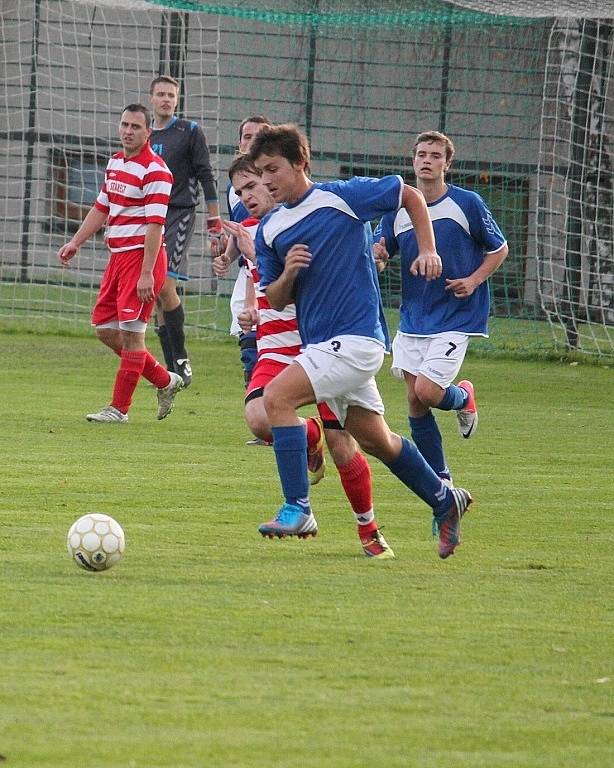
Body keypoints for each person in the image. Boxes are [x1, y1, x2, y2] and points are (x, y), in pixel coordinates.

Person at [249, 124, 473, 559]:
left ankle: (298, 506)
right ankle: (445, 499)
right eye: (260, 172)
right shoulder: (270, 229)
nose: (267, 180)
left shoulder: (341, 197)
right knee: (378, 441)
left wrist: (427, 248)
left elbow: (408, 195)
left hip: (356, 339)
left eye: (274, 168)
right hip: (323, 347)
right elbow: (274, 296)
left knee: (275, 400)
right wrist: (291, 272)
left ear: (300, 163)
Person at [215, 154, 394, 558]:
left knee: (345, 443)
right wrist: (251, 309)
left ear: (274, 179)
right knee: (261, 418)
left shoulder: (307, 219)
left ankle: (368, 529)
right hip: (275, 347)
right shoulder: (252, 229)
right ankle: (305, 439)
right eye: (240, 191)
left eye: (253, 186)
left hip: (318, 345)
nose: (246, 197)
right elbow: (259, 282)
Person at [374, 130, 508, 485]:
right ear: (413, 160)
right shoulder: (399, 208)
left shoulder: (467, 203)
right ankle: (442, 481)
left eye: (435, 155)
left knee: (429, 392)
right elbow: (380, 248)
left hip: (456, 315)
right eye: (422, 154)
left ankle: (463, 397)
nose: (427, 161)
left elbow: (499, 249)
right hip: (414, 317)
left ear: (447, 163)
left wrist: (475, 280)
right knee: (415, 403)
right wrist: (379, 256)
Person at [57, 104, 184, 423]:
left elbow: (155, 225)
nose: (128, 131)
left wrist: (146, 274)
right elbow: (102, 207)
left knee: (132, 335)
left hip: (142, 261)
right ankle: (166, 381)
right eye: (124, 125)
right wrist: (76, 241)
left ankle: (119, 409)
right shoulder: (114, 163)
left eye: (135, 127)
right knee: (104, 328)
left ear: (148, 132)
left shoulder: (156, 171)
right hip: (117, 259)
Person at [149, 75, 222, 386]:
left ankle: (180, 358)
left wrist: (214, 220)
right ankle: (173, 370)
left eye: (171, 95)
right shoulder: (144, 134)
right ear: (151, 98)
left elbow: (206, 176)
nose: (166, 99)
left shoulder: (189, 132)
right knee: (153, 292)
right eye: (161, 94)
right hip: (148, 219)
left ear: (177, 100)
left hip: (179, 214)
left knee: (164, 285)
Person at [225, 115, 272, 388]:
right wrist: (227, 254)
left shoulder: (286, 194)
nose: (246, 196)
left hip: (283, 284)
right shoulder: (233, 189)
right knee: (251, 355)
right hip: (251, 275)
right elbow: (242, 231)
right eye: (247, 137)